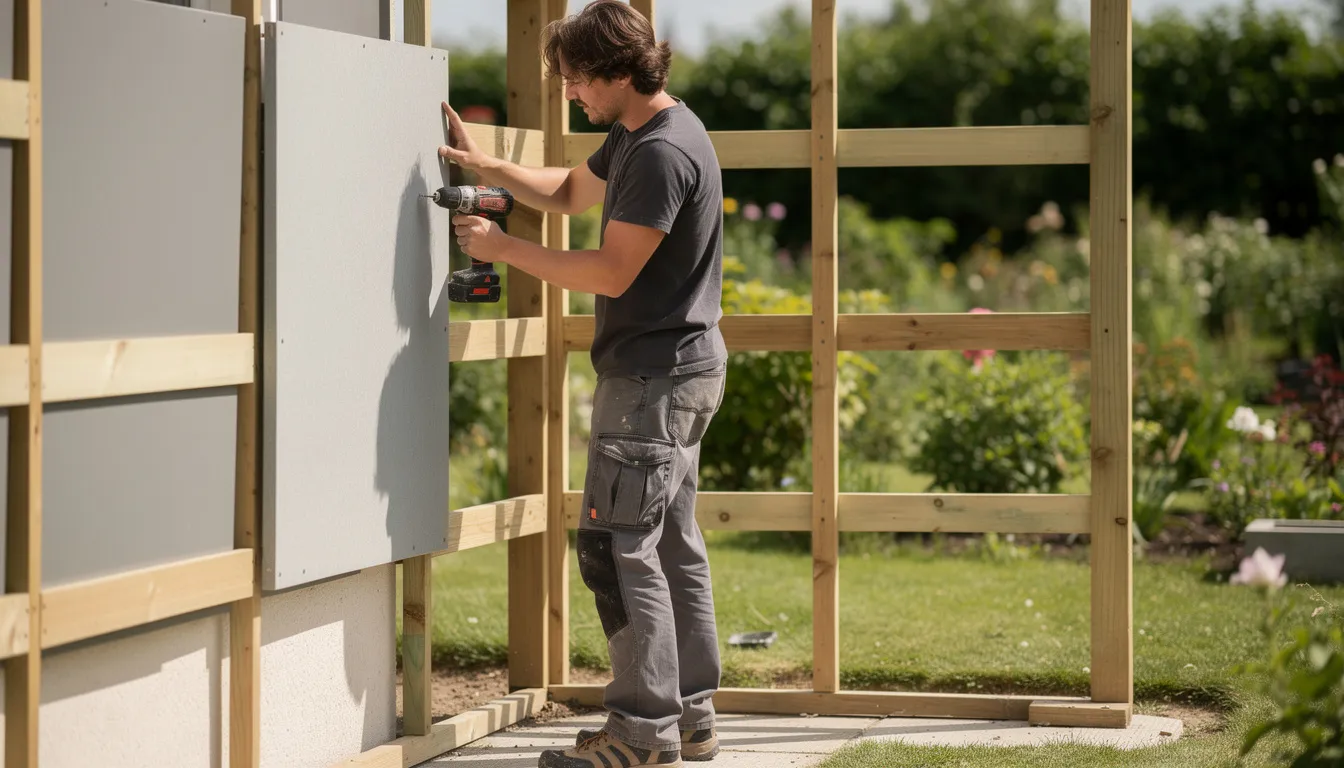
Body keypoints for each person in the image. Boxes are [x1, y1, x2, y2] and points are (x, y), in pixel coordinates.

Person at [437, 1, 728, 766]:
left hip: (651, 378)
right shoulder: (640, 134)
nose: (570, 94)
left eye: (575, 81)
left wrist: (502, 247)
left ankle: (639, 737)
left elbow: (610, 269)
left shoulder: (664, 153)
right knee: (668, 548)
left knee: (617, 549)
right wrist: (488, 169)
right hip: (679, 369)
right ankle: (689, 720)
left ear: (615, 70)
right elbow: (568, 191)